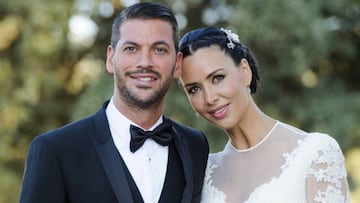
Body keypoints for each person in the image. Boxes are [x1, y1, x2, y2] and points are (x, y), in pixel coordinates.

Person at [19, 3, 209, 203]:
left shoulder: (195, 146)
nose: (145, 62)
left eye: (159, 50)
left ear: (177, 64)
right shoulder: (55, 150)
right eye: (131, 48)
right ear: (111, 59)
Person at [178, 27, 350, 203]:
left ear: (245, 71)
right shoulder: (203, 172)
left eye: (217, 78)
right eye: (194, 89)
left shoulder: (314, 152)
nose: (209, 98)